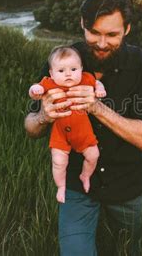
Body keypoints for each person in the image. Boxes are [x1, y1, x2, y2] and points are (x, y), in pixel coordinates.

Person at [24, 0, 142, 255]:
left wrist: (96, 107)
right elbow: (30, 127)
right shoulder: (61, 60)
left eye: (112, 35)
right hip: (76, 185)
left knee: (127, 249)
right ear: (82, 24)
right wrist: (43, 116)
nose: (101, 43)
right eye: (94, 32)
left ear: (127, 29)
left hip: (126, 185)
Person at [28, 45, 107, 203]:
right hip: (60, 133)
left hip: (83, 132)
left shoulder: (85, 79)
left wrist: (100, 89)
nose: (68, 74)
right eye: (61, 71)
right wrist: (35, 90)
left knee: (93, 155)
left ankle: (85, 175)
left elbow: (97, 83)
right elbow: (36, 88)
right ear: (51, 73)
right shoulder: (50, 83)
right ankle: (61, 187)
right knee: (58, 161)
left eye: (73, 69)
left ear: (81, 68)